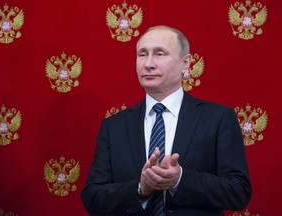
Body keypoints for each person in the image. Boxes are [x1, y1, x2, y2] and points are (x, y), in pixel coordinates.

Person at [81, 25, 252, 216]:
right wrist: (140, 189)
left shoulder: (218, 119)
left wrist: (180, 179)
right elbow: (93, 198)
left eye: (160, 54)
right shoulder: (114, 127)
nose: (148, 63)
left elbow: (239, 192)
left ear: (186, 63)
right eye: (142, 54)